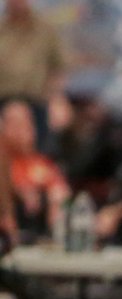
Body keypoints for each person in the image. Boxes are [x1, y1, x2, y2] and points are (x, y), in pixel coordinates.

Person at [0, 98, 69, 242]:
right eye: (16, 124)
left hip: (32, 237)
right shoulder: (4, 158)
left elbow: (61, 192)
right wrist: (17, 190)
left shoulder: (41, 163)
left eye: (28, 122)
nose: (25, 130)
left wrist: (56, 202)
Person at [0, 0, 65, 145]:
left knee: (42, 149)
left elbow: (58, 66)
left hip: (36, 101)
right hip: (3, 100)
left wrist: (56, 100)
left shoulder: (45, 29)